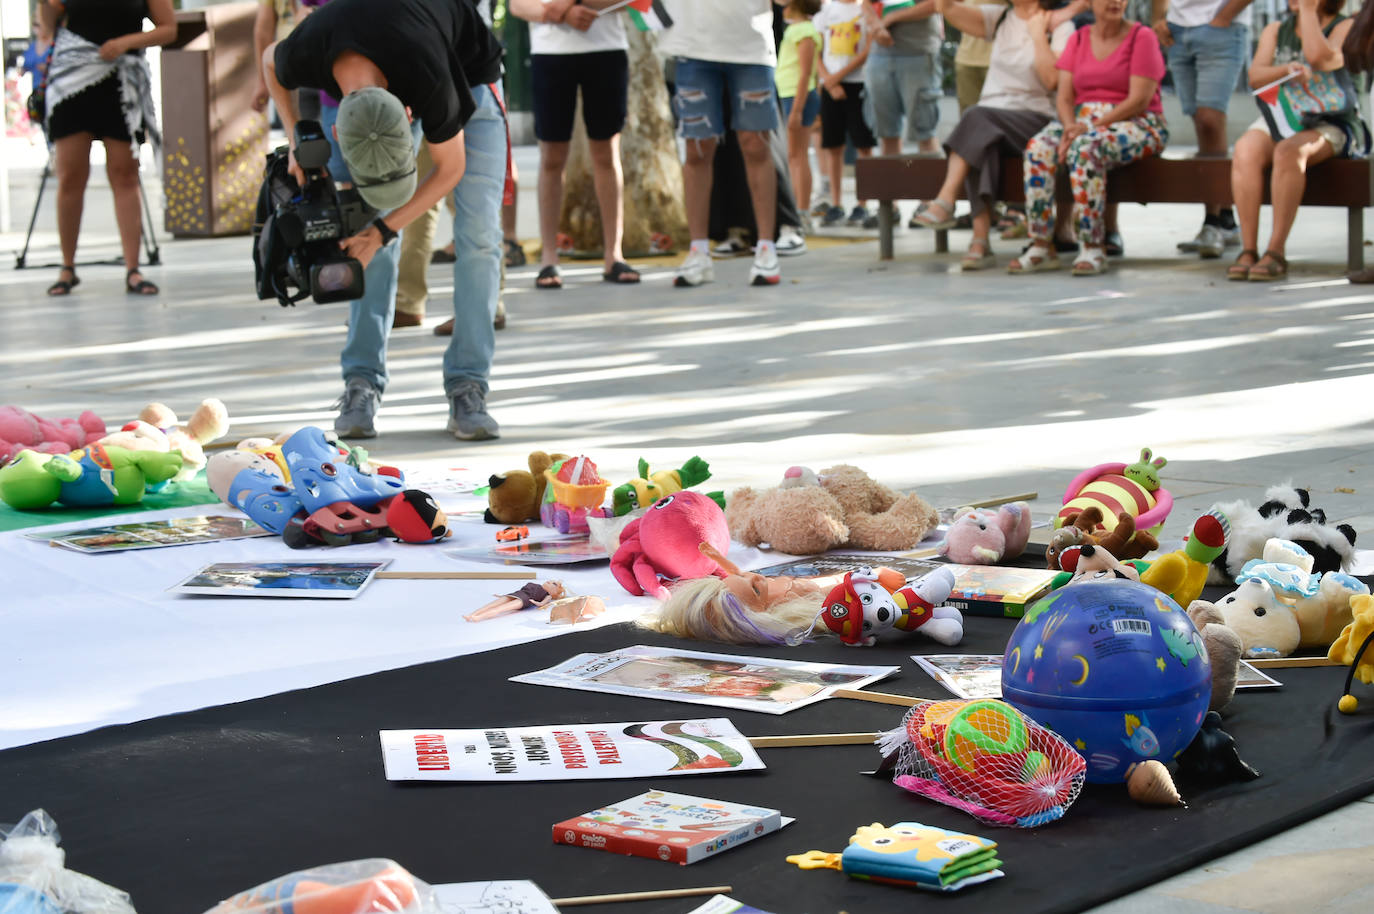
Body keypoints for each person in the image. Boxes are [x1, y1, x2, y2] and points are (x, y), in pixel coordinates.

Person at [262, 0, 508, 441]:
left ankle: (468, 387)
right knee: (362, 233)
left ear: (408, 115)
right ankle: (361, 383)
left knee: (480, 236)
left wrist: (384, 230)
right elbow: (268, 62)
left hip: (469, 76)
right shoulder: (315, 43)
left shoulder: (430, 80)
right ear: (337, 132)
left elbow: (449, 169)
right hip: (397, 43)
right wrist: (296, 135)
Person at [910, 0, 1075, 271]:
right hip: (991, 122)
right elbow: (946, 6)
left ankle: (946, 201)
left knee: (976, 119)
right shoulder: (999, 18)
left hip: (1036, 119)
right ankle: (980, 241)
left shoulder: (1059, 25)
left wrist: (1036, 35)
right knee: (982, 142)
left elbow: (1052, 80)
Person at [1010, 0, 1168, 276]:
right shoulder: (1079, 38)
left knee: (1085, 149)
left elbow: (1139, 100)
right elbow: (1064, 97)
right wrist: (1070, 127)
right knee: (1038, 147)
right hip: (1081, 123)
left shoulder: (1142, 37)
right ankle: (1040, 244)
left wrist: (1090, 128)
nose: (1116, 1)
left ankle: (1093, 246)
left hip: (1138, 122)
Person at [41, 0, 174, 298]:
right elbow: (48, 28)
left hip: (122, 80)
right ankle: (67, 267)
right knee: (70, 176)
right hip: (73, 77)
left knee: (125, 174)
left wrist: (127, 42)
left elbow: (169, 29)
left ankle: (133, 268)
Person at [1229, 0, 1363, 281]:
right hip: (1285, 116)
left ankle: (1275, 252)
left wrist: (1308, 11)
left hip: (1332, 120)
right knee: (1245, 149)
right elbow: (1255, 76)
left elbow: (1319, 58)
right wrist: (1286, 69)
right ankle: (1249, 249)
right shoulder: (1276, 29)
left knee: (1289, 152)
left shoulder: (1346, 26)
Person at [511, 0, 639, 290]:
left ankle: (613, 255)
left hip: (606, 50)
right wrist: (559, 13)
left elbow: (629, 2)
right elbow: (517, 6)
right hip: (550, 53)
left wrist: (567, 4)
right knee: (552, 157)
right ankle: (548, 257)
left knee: (606, 153)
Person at [663, 0, 783, 288]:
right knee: (697, 149)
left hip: (751, 47)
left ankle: (766, 246)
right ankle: (698, 251)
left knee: (756, 144)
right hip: (692, 48)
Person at [1153, 0, 1250, 260]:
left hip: (1221, 27)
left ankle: (1214, 221)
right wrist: (1159, 17)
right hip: (1177, 28)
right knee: (1200, 120)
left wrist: (1224, 17)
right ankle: (1225, 220)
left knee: (1210, 118)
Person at [863, 0, 944, 229]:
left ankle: (929, 204)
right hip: (880, 54)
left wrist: (891, 18)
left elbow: (936, 4)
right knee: (886, 134)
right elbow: (865, 5)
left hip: (918, 52)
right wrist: (876, 25)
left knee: (924, 132)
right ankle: (891, 206)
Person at [814, 0, 878, 228]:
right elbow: (816, 51)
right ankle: (836, 203)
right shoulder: (826, 10)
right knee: (833, 146)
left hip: (858, 83)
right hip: (830, 86)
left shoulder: (866, 8)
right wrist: (829, 82)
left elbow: (869, 49)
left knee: (864, 146)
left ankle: (863, 203)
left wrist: (837, 77)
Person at [776, 0, 823, 239]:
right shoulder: (796, 28)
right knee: (793, 156)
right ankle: (799, 209)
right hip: (789, 95)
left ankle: (802, 211)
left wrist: (796, 110)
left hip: (798, 97)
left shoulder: (805, 31)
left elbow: (806, 73)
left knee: (798, 156)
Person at [465, 580, 566, 622]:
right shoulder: (537, 585)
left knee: (500, 609)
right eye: (551, 580)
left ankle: (478, 617)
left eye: (554, 584)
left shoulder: (547, 595)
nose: (550, 582)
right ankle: (471, 614)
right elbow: (521, 590)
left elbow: (542, 604)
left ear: (554, 593)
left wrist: (534, 602)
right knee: (491, 605)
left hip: (524, 600)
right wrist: (501, 595)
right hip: (517, 594)